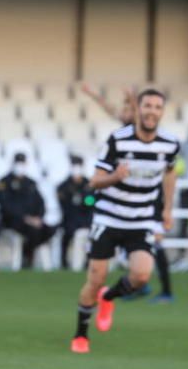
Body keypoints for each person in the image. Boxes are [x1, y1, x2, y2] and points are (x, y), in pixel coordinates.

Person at [70, 89, 179, 354]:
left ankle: (109, 298)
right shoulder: (117, 140)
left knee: (141, 276)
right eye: (147, 105)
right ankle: (81, 335)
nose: (152, 111)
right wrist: (115, 177)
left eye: (157, 107)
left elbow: (170, 173)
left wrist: (167, 209)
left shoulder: (170, 144)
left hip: (140, 219)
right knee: (95, 278)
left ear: (162, 112)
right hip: (109, 216)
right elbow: (95, 181)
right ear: (137, 109)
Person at [0, 153, 56, 269]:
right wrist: (25, 218)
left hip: (33, 220)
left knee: (50, 230)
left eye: (22, 163)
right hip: (13, 221)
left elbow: (41, 202)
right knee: (34, 231)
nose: (20, 166)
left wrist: (39, 217)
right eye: (18, 163)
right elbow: (6, 205)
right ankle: (28, 257)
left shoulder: (31, 183)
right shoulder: (4, 182)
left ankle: (27, 252)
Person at [56, 155, 95, 270]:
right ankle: (64, 262)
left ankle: (87, 262)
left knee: (90, 239)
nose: (76, 169)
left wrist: (84, 200)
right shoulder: (64, 186)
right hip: (70, 220)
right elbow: (64, 205)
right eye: (74, 165)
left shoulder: (89, 184)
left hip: (86, 220)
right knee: (66, 236)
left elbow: (91, 201)